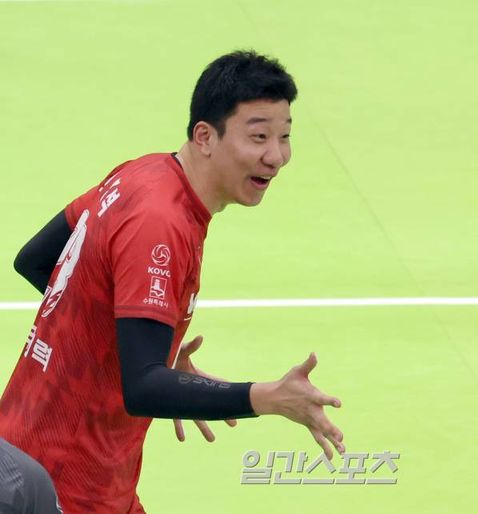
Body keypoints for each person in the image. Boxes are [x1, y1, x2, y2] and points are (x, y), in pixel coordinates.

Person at [0, 50, 345, 513]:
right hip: (65, 486)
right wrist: (267, 397)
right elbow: (144, 387)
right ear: (205, 136)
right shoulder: (160, 222)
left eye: (284, 137)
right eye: (258, 136)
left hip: (33, 455)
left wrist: (139, 343)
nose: (276, 156)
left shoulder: (142, 172)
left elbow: (36, 260)